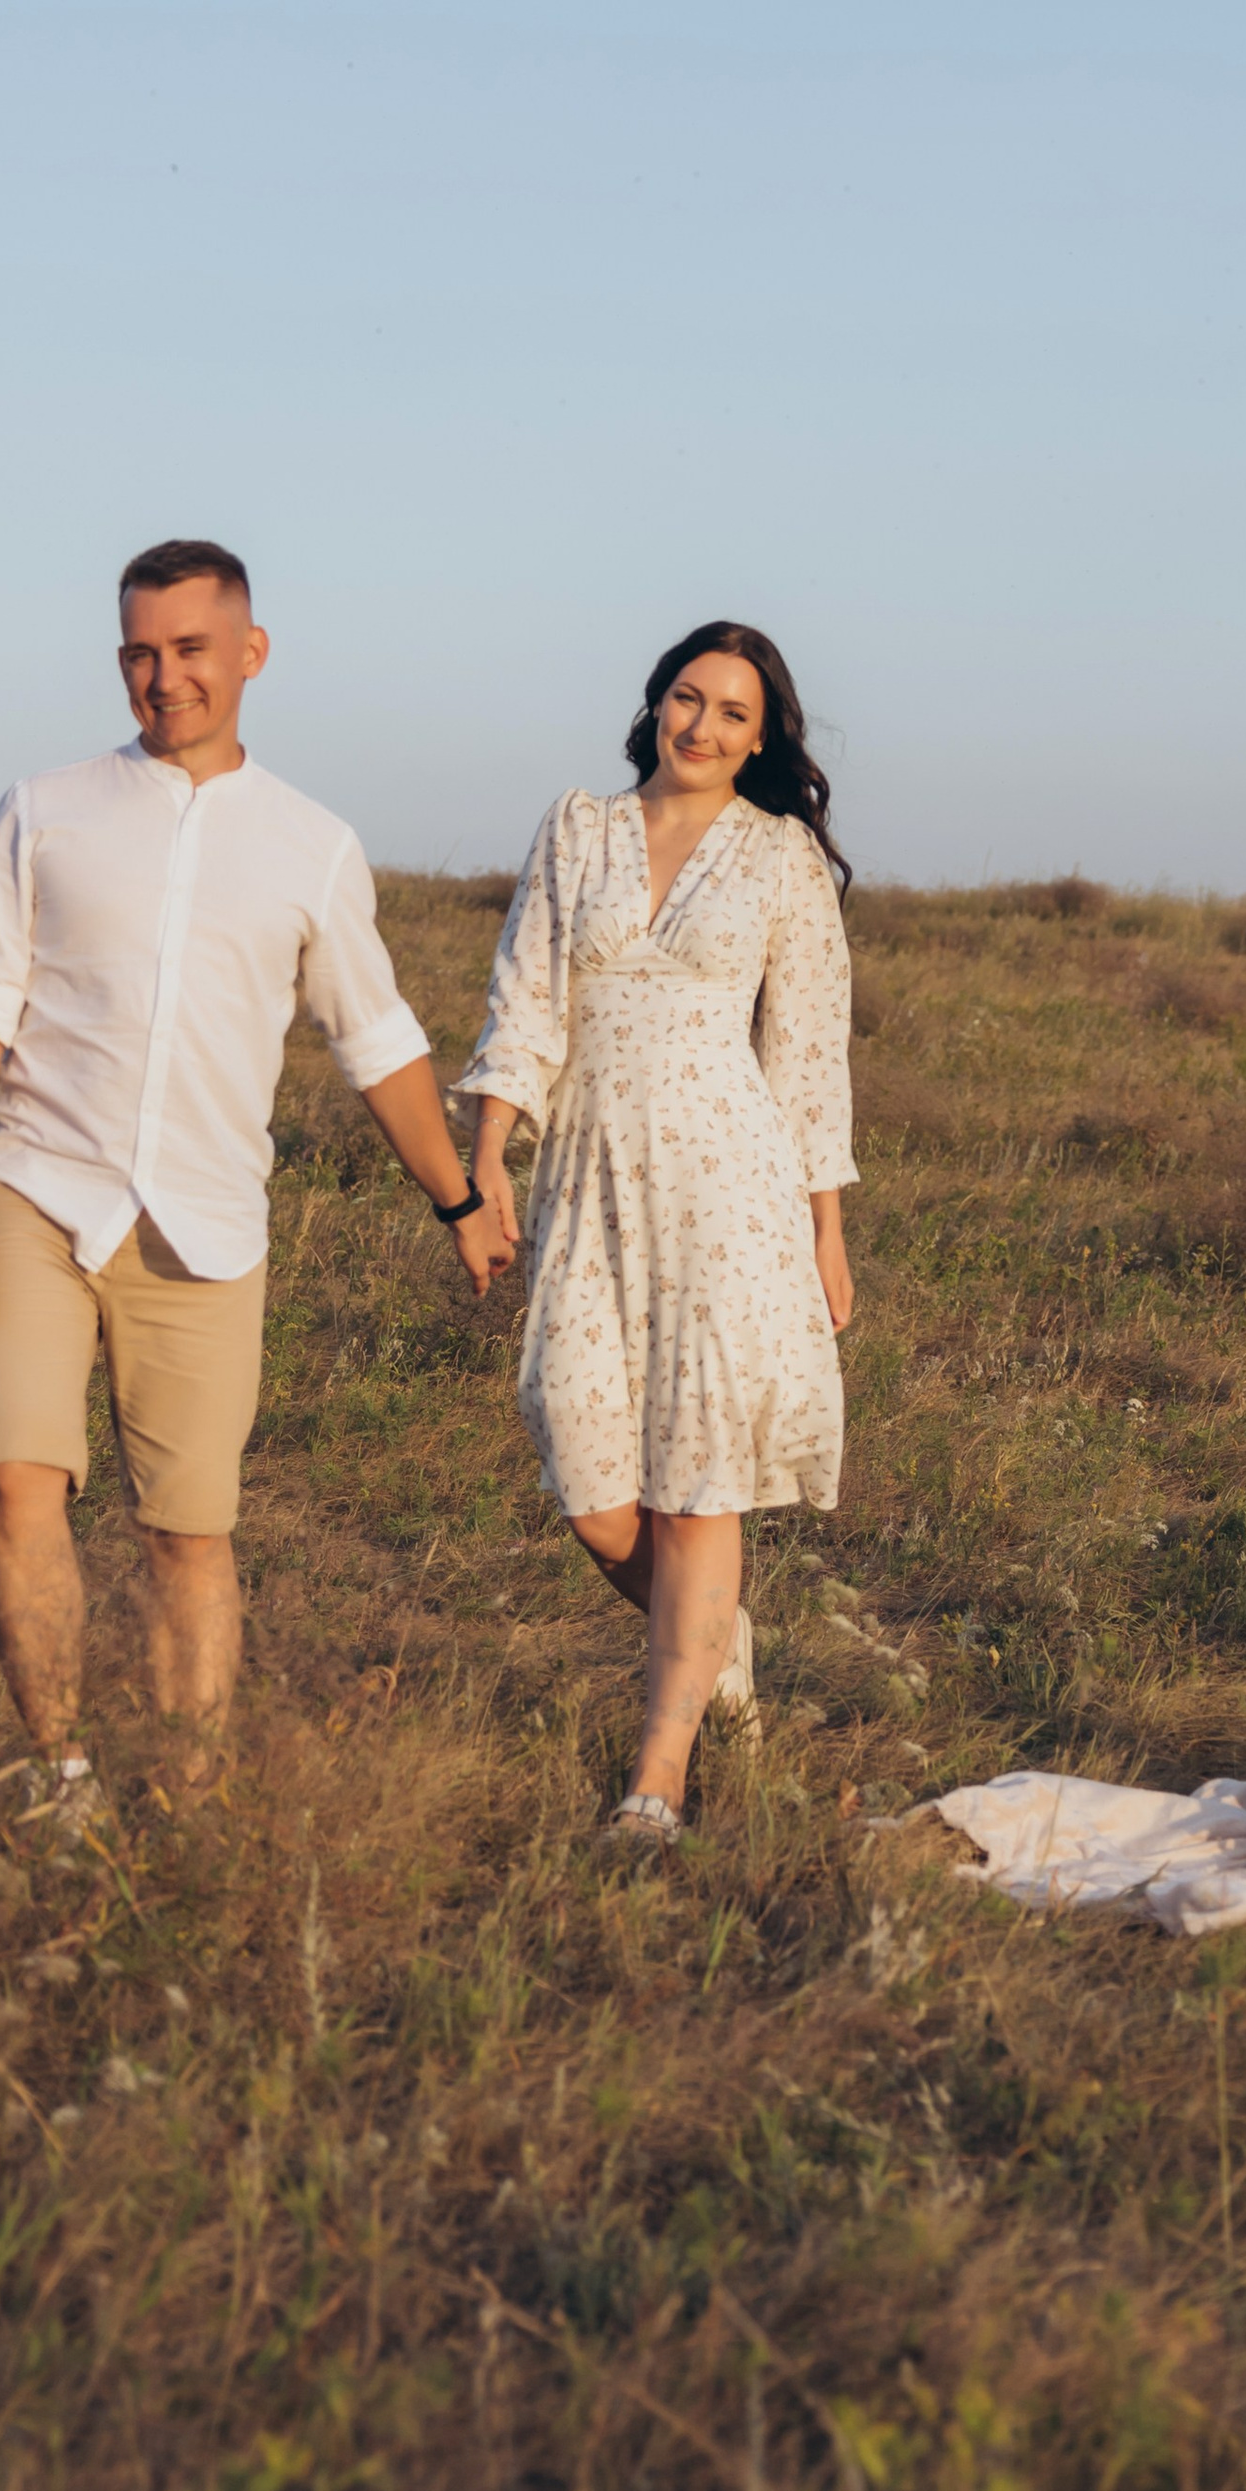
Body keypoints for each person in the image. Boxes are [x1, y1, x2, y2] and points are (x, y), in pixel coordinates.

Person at [0, 540, 499, 1822]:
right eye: (139, 651)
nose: (162, 677)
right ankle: (62, 1774)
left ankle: (183, 1798)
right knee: (19, 1481)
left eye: (188, 649)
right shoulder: (44, 808)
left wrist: (458, 1201)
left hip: (208, 1228)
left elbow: (378, 1040)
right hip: (34, 1190)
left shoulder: (313, 845)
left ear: (249, 652)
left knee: (187, 1534)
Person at [459, 621, 856, 1850]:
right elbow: (523, 999)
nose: (705, 727)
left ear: (763, 736)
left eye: (735, 714)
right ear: (654, 703)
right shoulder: (577, 829)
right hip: (589, 1179)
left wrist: (825, 1234)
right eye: (690, 699)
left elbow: (805, 1062)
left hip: (732, 1193)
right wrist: (483, 1162)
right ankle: (711, 1629)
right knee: (585, 1473)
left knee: (699, 1484)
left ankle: (659, 1776)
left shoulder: (780, 859)